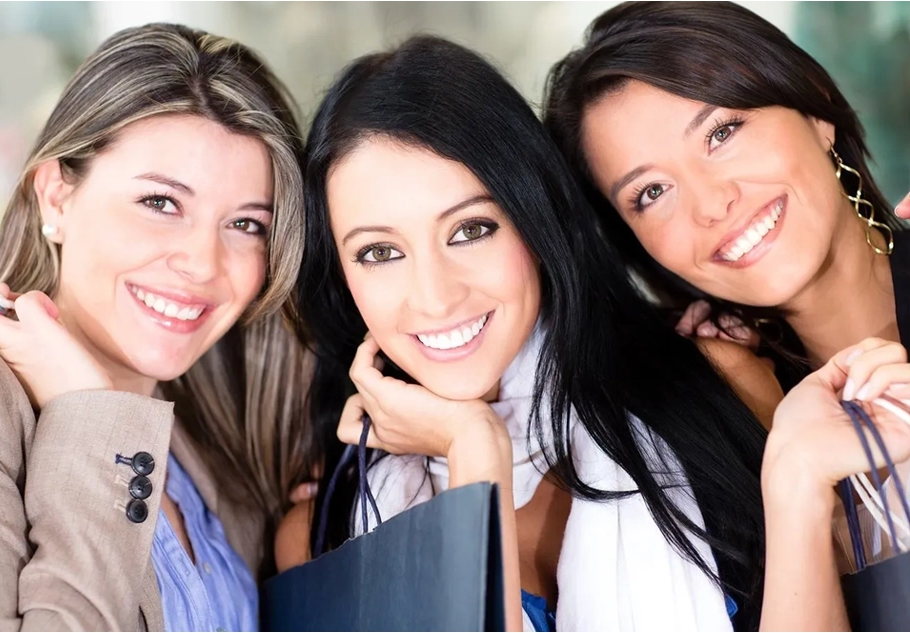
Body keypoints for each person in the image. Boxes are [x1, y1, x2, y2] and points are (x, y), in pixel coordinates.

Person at [274, 35, 910, 631]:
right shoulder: (325, 531)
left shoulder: (718, 380)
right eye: (379, 253)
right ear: (341, 275)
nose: (435, 295)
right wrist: (474, 451)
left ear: (535, 220)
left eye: (471, 230)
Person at [543, 0, 910, 621]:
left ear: (815, 108)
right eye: (651, 193)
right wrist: (791, 472)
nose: (712, 205)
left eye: (721, 133)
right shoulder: (703, 431)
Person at [0, 22, 311, 630]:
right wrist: (90, 415)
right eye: (162, 203)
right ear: (56, 199)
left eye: (246, 224)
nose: (202, 263)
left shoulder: (210, 440)